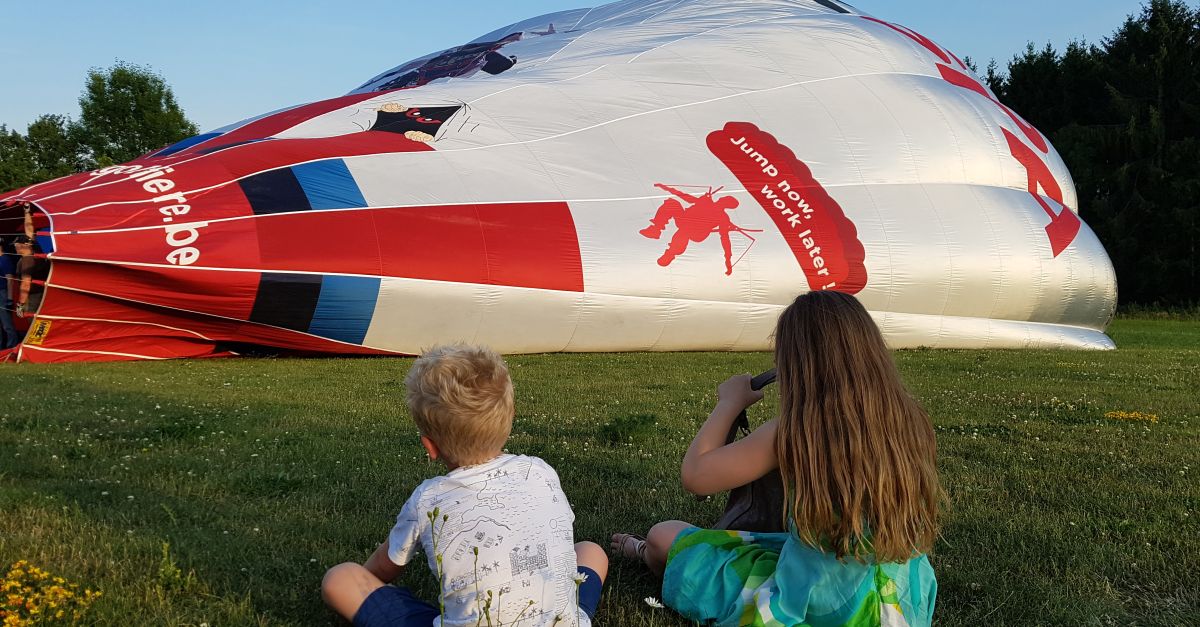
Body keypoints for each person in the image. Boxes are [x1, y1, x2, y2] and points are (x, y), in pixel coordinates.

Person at [612, 291, 942, 627]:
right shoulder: (911, 420)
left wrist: (729, 402)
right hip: (898, 605)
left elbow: (696, 475)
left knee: (663, 537)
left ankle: (641, 551)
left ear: (795, 364)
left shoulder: (795, 432)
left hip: (815, 599)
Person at [322, 344, 608, 627]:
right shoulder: (540, 470)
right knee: (591, 551)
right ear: (511, 419)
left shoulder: (428, 499)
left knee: (341, 578)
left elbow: (385, 567)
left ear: (429, 446)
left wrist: (370, 583)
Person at [0, 237, 19, 348]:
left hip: (2, 293)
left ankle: (12, 345)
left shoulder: (5, 259)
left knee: (6, 322)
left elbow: (10, 280)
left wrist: (10, 298)